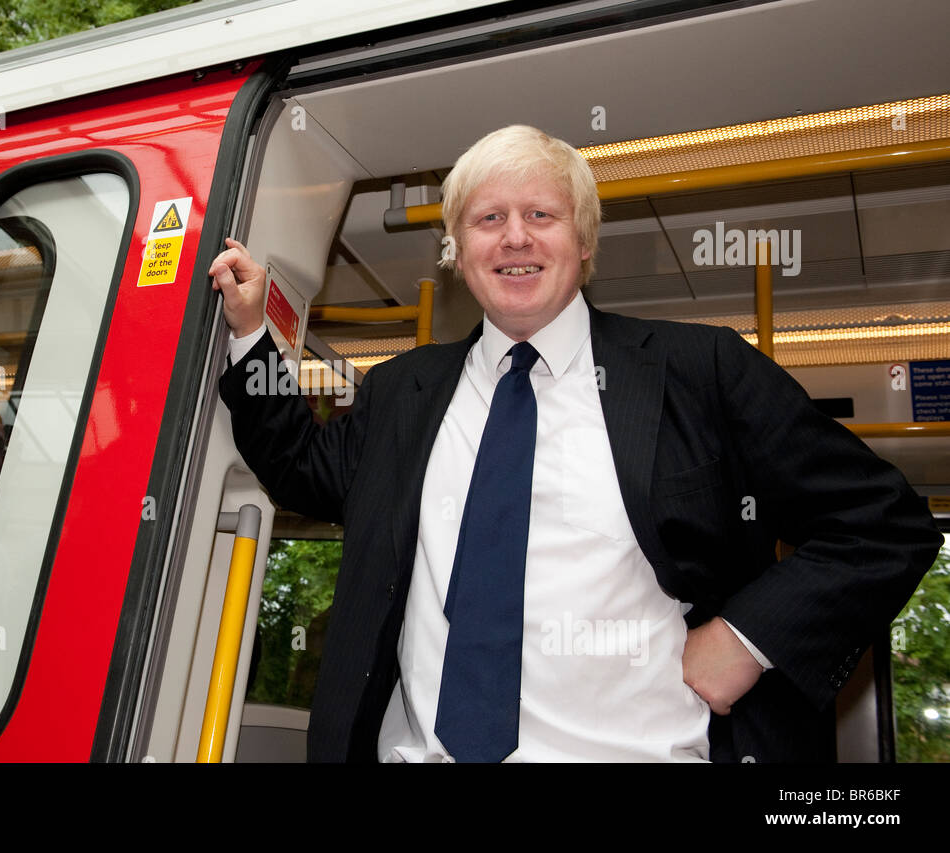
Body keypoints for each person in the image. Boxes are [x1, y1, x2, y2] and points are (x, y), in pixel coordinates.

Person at [208, 125, 942, 762]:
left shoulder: (699, 371)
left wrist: (746, 636)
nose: (515, 236)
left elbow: (881, 522)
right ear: (457, 248)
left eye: (541, 214)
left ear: (584, 242)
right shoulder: (404, 391)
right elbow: (302, 469)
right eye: (489, 217)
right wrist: (250, 333)